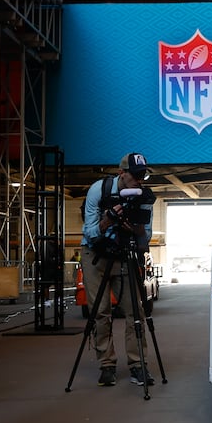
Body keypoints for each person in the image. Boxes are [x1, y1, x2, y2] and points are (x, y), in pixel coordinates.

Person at [80, 152, 156, 387]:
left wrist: (135, 227)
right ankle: (107, 365)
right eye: (134, 175)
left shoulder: (142, 196)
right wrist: (109, 219)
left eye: (142, 175)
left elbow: (146, 240)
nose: (139, 181)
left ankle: (137, 364)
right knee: (100, 312)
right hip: (96, 255)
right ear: (121, 173)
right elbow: (89, 233)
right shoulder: (98, 190)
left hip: (125, 253)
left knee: (136, 311)